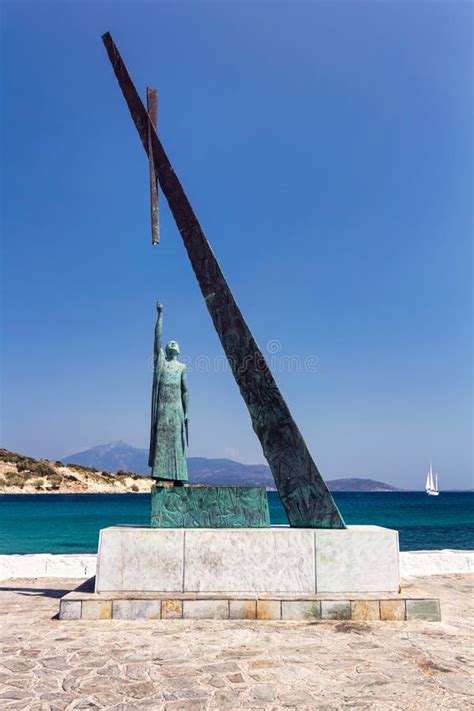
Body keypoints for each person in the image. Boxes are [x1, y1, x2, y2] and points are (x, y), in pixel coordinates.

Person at [148, 302, 188, 485]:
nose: (171, 344)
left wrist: (187, 412)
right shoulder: (161, 362)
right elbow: (157, 338)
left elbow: (185, 390)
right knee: (162, 441)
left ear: (178, 350)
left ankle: (180, 478)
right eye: (169, 344)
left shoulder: (182, 367)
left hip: (177, 408)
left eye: (174, 344)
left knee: (177, 443)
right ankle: (161, 477)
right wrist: (160, 315)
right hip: (163, 408)